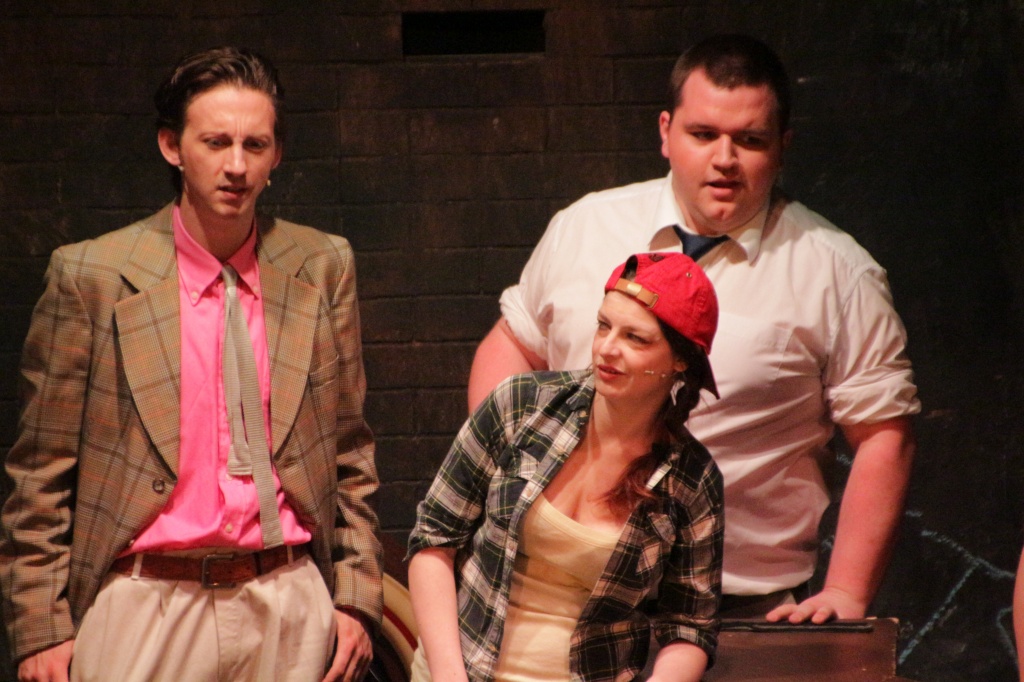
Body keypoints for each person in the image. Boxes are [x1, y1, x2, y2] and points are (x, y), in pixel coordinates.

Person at [469, 34, 920, 623]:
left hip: (736, 607)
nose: (724, 158)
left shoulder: (837, 272)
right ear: (666, 132)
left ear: (782, 146)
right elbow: (514, 342)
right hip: (558, 590)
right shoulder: (586, 225)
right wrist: (508, 480)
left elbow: (884, 433)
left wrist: (847, 591)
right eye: (703, 134)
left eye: (750, 140)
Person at [0, 47, 381, 682]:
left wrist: (356, 596)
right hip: (145, 599)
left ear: (277, 155)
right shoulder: (93, 275)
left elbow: (350, 449)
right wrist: (39, 626)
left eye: (255, 145)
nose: (236, 165)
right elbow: (41, 472)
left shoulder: (319, 266)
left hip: (287, 595)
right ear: (172, 146)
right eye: (215, 142)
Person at [408, 252, 724, 682]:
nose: (607, 347)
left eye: (635, 338)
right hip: (460, 669)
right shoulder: (522, 404)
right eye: (603, 325)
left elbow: (690, 626)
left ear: (680, 360)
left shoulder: (691, 478)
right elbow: (433, 540)